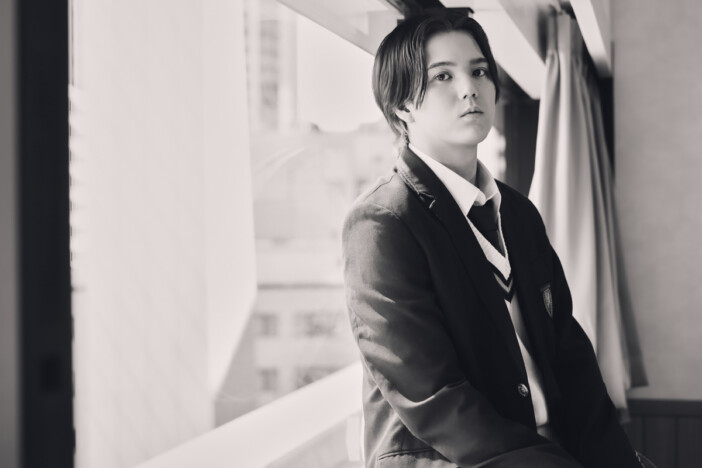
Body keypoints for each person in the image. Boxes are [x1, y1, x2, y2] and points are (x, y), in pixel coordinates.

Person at [342, 10, 644, 468]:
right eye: (443, 76)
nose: (470, 88)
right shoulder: (382, 223)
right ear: (402, 106)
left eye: (480, 71)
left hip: (550, 451)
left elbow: (571, 358)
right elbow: (436, 399)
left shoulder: (518, 213)